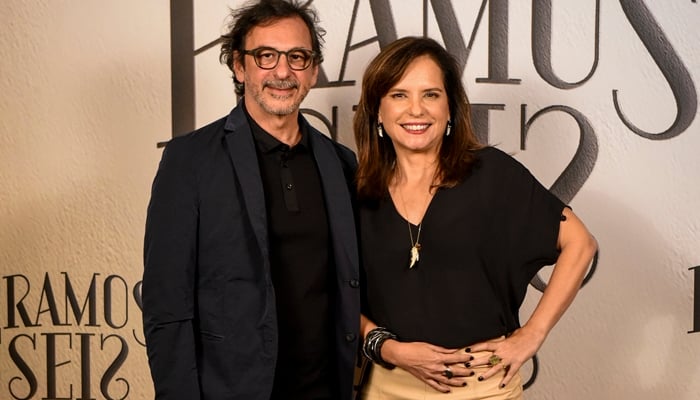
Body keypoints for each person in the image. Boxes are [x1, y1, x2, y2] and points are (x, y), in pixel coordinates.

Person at [353, 37, 598, 399]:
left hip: (482, 388)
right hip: (387, 387)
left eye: (431, 94)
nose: (416, 109)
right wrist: (388, 348)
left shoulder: (491, 174)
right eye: (399, 94)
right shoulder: (357, 191)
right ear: (377, 110)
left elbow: (581, 243)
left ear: (450, 107)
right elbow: (334, 289)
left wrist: (533, 333)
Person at [142, 1, 360, 399]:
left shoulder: (342, 164)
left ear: (313, 71)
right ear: (240, 67)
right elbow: (166, 311)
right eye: (266, 56)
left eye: (297, 57)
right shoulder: (188, 161)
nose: (282, 71)